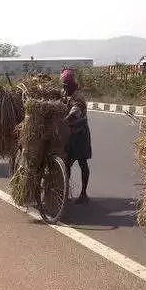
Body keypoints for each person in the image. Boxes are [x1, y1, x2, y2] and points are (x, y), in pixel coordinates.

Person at [60, 69, 91, 204]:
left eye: (66, 86)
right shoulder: (65, 94)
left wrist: (64, 121)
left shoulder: (78, 97)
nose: (64, 88)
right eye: (63, 86)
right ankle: (65, 193)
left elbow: (75, 112)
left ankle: (83, 194)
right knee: (66, 164)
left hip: (80, 133)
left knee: (82, 163)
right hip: (70, 133)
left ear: (72, 85)